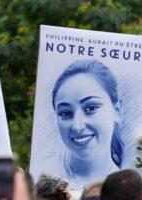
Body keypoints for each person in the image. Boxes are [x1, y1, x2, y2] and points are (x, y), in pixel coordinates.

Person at [51, 60, 122, 189]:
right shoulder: (42, 177)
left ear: (116, 110)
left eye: (91, 108)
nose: (77, 126)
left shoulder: (127, 188)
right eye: (65, 113)